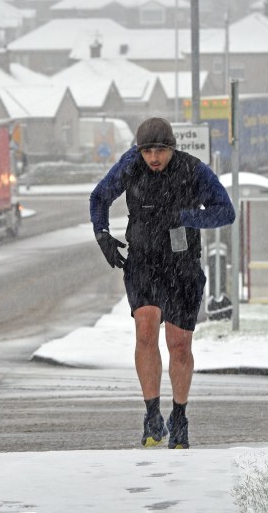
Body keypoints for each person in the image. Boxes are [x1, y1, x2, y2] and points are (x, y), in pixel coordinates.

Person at [89, 117, 235, 449]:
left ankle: (179, 415)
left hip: (182, 266)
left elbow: (225, 212)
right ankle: (152, 415)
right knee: (145, 330)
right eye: (148, 151)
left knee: (179, 345)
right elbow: (99, 198)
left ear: (172, 148)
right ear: (139, 151)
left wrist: (185, 217)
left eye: (160, 151)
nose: (154, 158)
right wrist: (103, 236)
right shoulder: (130, 165)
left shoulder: (192, 170)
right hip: (142, 261)